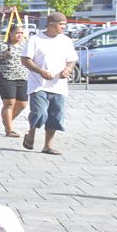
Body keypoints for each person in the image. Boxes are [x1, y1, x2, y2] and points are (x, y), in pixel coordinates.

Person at [22, 11, 78, 155]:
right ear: (51, 25)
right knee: (39, 113)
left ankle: (48, 145)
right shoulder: (35, 39)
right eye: (61, 24)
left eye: (65, 25)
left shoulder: (66, 40)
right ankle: (31, 133)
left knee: (55, 115)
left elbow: (72, 59)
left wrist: (68, 69)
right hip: (39, 84)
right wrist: (40, 71)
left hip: (58, 85)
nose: (64, 27)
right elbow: (25, 59)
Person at [0, 23, 29, 137]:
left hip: (22, 77)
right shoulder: (4, 47)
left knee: (22, 104)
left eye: (22, 33)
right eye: (17, 33)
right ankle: (9, 130)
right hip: (5, 77)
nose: (20, 35)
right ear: (11, 34)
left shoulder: (25, 47)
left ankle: (7, 120)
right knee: (9, 103)